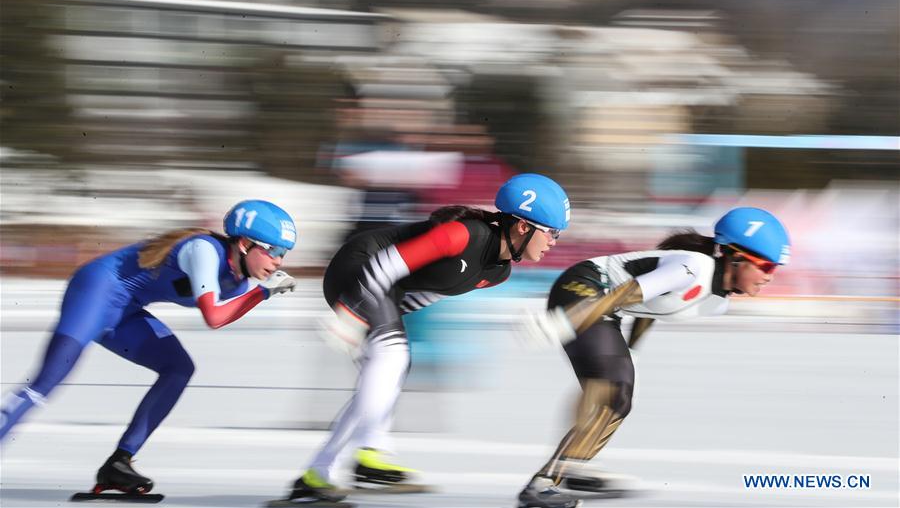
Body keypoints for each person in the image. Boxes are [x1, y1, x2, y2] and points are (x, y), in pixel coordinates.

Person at [282, 173, 571, 504]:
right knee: (393, 357)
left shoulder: (497, 272)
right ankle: (363, 456)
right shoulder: (463, 234)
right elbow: (385, 264)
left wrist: (382, 322)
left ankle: (326, 470)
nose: (554, 242)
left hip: (385, 289)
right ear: (523, 226)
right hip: (357, 268)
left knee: (388, 372)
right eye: (552, 233)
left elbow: (429, 292)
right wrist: (354, 314)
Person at [0, 200, 298, 496]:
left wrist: (260, 292)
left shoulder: (239, 282)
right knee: (46, 381)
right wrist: (264, 292)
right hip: (94, 292)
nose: (279, 262)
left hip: (127, 310)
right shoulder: (204, 251)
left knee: (179, 369)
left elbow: (224, 313)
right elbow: (214, 316)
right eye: (274, 251)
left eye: (284, 254)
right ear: (245, 243)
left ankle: (119, 463)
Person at [518, 207, 790, 508]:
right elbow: (629, 293)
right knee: (615, 395)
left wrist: (631, 351)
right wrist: (566, 321)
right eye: (766, 266)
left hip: (607, 309)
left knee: (613, 392)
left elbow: (649, 309)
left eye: (775, 269)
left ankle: (570, 468)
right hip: (584, 290)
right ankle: (542, 486)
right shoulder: (694, 267)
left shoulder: (716, 303)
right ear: (735, 255)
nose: (769, 277)